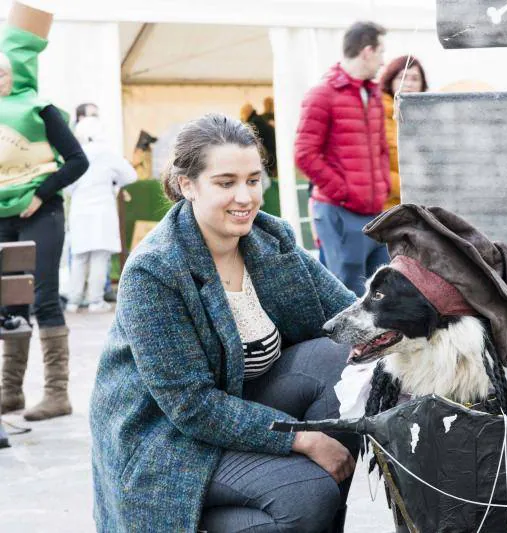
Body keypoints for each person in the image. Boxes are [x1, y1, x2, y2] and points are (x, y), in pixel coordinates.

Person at [90, 114, 359, 532]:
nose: (245, 197)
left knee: (340, 357)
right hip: (166, 438)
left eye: (253, 180)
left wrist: (427, 324)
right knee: (307, 492)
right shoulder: (156, 271)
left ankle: (301, 514)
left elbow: (347, 319)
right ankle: (197, 516)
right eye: (226, 182)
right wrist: (300, 439)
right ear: (188, 185)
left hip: (240, 402)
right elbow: (190, 406)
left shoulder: (271, 238)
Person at [0, 3, 89, 422]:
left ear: (18, 69)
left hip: (42, 213)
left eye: (4, 69)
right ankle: (10, 392)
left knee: (43, 296)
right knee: (8, 301)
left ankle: (57, 393)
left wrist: (40, 193)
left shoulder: (42, 109)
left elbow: (77, 160)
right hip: (3, 218)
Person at [295, 21, 390, 296]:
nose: (383, 61)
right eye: (381, 52)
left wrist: (381, 187)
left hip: (374, 213)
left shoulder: (372, 94)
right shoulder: (321, 94)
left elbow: (381, 148)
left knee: (379, 288)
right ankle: (342, 343)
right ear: (367, 51)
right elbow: (304, 155)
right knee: (345, 293)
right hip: (339, 211)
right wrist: (345, 192)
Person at [65, 117, 137, 313]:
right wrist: (114, 182)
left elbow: (68, 184)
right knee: (99, 256)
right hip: (102, 210)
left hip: (80, 209)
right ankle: (95, 301)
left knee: (79, 255)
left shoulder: (76, 153)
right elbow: (131, 175)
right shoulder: (108, 153)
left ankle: (73, 301)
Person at [379, 55, 428, 210]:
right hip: (387, 206)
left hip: (421, 204)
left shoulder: (427, 116)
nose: (408, 84)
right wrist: (407, 186)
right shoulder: (377, 113)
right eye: (402, 77)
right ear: (390, 80)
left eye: (415, 79)